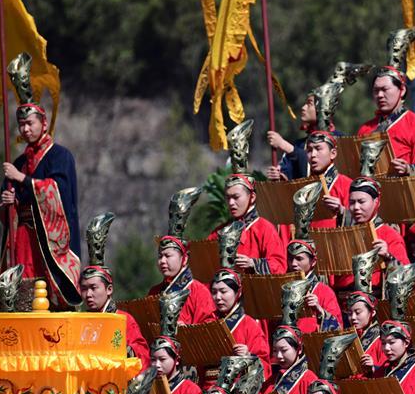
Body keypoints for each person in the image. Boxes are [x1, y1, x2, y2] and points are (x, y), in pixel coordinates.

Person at [0, 52, 80, 309]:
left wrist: (21, 179)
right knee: (22, 295)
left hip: (47, 242)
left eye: (30, 123)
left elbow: (59, 192)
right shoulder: (19, 161)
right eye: (21, 125)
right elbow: (5, 206)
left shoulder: (60, 156)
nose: (25, 129)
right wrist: (7, 202)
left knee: (46, 294)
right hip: (22, 236)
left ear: (43, 124)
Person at [267, 62, 371, 181]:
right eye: (310, 150)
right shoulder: (299, 144)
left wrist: (284, 145)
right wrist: (279, 176)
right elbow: (290, 177)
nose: (303, 108)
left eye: (309, 104)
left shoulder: (342, 140)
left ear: (322, 106)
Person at [209, 123, 286, 274]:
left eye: (236, 197)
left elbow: (280, 266)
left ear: (252, 197)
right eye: (228, 198)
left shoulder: (264, 229)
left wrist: (253, 263)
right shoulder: (219, 232)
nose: (231, 203)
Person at [80, 212, 150, 369]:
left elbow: (143, 357)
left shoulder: (124, 320)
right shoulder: (81, 321)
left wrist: (121, 351)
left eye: (93, 288)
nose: (88, 294)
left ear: (109, 289)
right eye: (84, 289)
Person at [357, 28, 415, 166]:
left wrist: (408, 170)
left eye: (385, 89)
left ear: (401, 90)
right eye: (376, 90)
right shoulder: (365, 129)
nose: (380, 95)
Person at [148, 187, 217, 325]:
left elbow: (210, 330)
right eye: (160, 256)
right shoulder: (154, 292)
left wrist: (188, 331)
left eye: (168, 256)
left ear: (184, 259)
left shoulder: (199, 292)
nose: (162, 261)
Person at [333, 177, 410, 292]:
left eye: (361, 201)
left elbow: (406, 276)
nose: (356, 208)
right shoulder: (345, 233)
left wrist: (388, 256)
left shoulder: (389, 235)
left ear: (376, 202)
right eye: (352, 202)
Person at [208, 269, 271, 387]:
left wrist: (248, 356)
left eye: (223, 291)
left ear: (238, 292)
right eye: (214, 292)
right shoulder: (208, 322)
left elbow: (265, 366)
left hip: (236, 388)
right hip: (208, 389)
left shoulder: (249, 324)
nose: (218, 297)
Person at [150, 329, 204, 394]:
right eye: (153, 359)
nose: (157, 365)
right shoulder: (146, 387)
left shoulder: (190, 389)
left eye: (162, 359)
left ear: (177, 360)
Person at [260, 325, 318, 394]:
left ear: (299, 349)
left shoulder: (310, 380)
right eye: (275, 350)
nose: (278, 356)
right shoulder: (272, 380)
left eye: (284, 350)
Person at [285, 240, 341, 334]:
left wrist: (320, 310)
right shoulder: (282, 288)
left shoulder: (324, 292)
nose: (293, 263)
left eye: (299, 259)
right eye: (290, 259)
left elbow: (338, 331)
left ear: (313, 262)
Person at [305, 131, 353, 232]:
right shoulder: (303, 187)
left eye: (318, 149)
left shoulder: (347, 185)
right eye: (309, 150)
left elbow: (360, 222)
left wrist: (341, 210)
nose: (313, 154)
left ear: (333, 153)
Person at [350, 291, 385, 372]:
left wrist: (373, 367)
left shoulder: (381, 338)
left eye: (358, 312)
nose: (353, 317)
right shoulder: (351, 336)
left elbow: (388, 370)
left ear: (372, 312)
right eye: (350, 313)